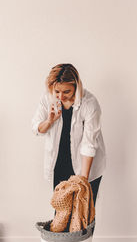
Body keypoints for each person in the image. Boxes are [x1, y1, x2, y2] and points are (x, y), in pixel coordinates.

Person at [31, 63, 106, 207]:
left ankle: (84, 229)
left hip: (85, 164)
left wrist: (82, 182)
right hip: (59, 162)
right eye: (57, 91)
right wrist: (50, 120)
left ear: (76, 86)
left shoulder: (90, 103)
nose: (60, 96)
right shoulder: (47, 98)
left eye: (66, 91)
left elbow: (89, 145)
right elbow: (36, 127)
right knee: (61, 212)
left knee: (84, 214)